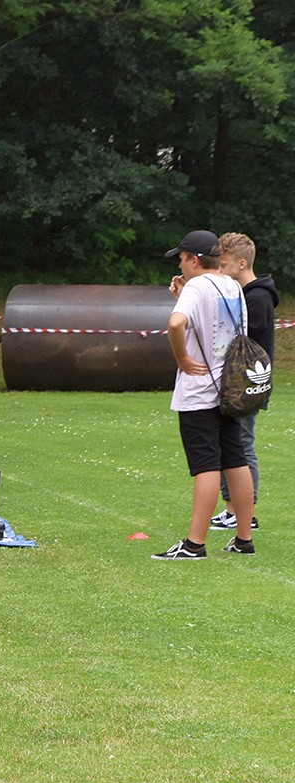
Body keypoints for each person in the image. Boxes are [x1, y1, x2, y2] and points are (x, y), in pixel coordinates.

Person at [154, 230, 256, 559]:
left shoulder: (197, 286)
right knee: (235, 459)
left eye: (182, 259)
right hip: (229, 388)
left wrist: (183, 358)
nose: (180, 266)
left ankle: (194, 544)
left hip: (199, 391)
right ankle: (243, 539)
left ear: (195, 260)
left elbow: (176, 324)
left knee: (205, 465)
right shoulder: (231, 285)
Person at [208, 233, 279, 532]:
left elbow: (240, 339)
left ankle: (245, 513)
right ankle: (232, 510)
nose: (219, 270)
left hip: (247, 384)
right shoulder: (245, 295)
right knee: (231, 444)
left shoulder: (257, 298)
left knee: (242, 445)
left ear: (241, 263)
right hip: (239, 383)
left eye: (223, 264)